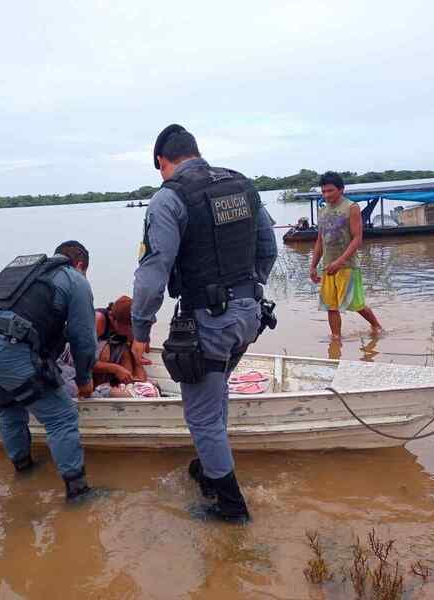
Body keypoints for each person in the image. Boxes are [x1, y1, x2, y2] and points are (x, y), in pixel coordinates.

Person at [131, 124, 278, 523]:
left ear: (162, 161)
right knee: (215, 394)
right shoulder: (242, 185)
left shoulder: (169, 197)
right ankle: (209, 469)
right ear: (196, 151)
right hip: (250, 316)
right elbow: (268, 247)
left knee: (200, 415)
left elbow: (153, 272)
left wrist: (140, 329)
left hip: (210, 321)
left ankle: (231, 508)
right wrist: (248, 291)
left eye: (158, 169)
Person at [0, 240, 97, 502]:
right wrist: (84, 379)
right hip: (4, 349)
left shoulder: (24, 274)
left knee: (9, 409)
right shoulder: (74, 279)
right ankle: (78, 494)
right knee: (61, 417)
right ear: (80, 265)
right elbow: (84, 338)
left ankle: (23, 472)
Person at [309, 172, 383, 341]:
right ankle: (336, 338)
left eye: (330, 191)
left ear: (341, 189)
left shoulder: (351, 207)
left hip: (347, 265)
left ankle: (376, 326)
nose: (326, 195)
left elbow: (357, 238)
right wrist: (313, 266)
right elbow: (320, 241)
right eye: (324, 191)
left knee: (355, 303)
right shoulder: (322, 210)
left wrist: (340, 261)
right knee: (331, 306)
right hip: (328, 266)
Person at [93, 295, 147, 387]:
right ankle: (97, 388)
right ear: (113, 319)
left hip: (109, 362)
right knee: (105, 349)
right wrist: (116, 369)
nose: (131, 331)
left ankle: (127, 386)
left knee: (126, 350)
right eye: (129, 327)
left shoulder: (128, 330)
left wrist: (137, 358)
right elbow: (83, 360)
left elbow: (140, 351)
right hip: (76, 360)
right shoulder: (99, 320)